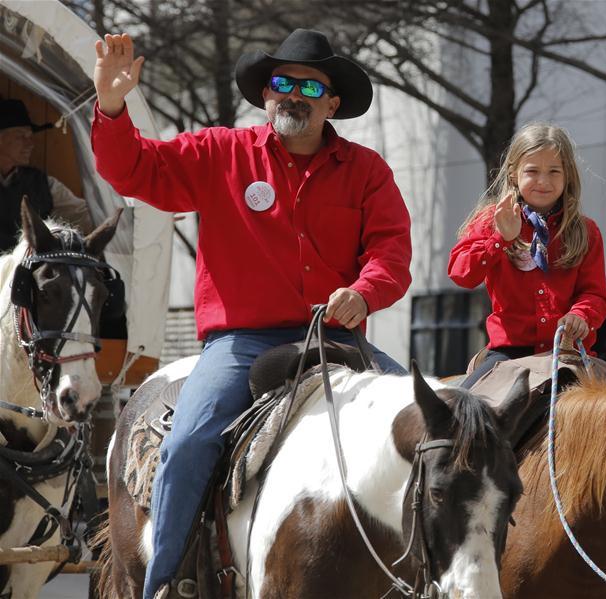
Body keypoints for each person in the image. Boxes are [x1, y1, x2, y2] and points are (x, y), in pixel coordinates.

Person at [91, 30, 412, 598]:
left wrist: (364, 292)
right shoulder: (221, 153)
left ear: (332, 103)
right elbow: (135, 171)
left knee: (423, 428)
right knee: (189, 442)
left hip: (337, 339)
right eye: (281, 83)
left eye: (309, 85)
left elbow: (391, 253)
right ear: (265, 96)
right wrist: (112, 106)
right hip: (241, 344)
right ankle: (163, 583)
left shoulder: (368, 171)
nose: (292, 94)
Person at [448, 122, 606, 388]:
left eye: (554, 171)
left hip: (568, 354)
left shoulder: (586, 231)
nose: (543, 181)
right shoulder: (493, 221)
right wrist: (501, 239)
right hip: (508, 353)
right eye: (532, 171)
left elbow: (595, 294)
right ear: (513, 173)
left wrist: (581, 315)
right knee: (461, 415)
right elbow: (461, 273)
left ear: (567, 175)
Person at [0, 98, 92, 252]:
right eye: (21, 136)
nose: (30, 144)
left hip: (28, 272)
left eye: (30, 136)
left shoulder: (43, 183)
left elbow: (84, 215)